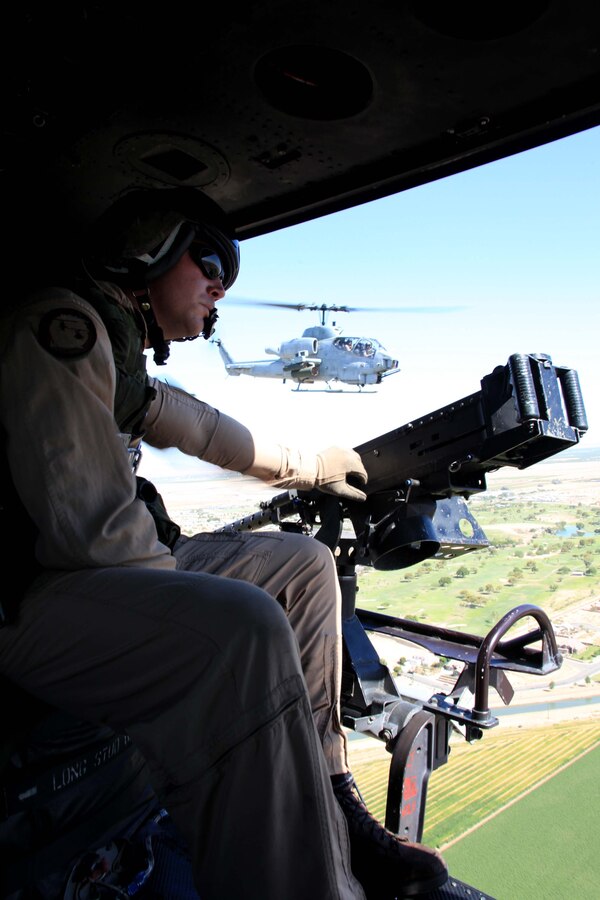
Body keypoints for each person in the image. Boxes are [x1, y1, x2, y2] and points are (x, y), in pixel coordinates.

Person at [0, 187, 448, 899]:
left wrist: (315, 466)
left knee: (304, 567)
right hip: (31, 597)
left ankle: (334, 800)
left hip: (110, 569)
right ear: (146, 249)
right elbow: (90, 534)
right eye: (208, 263)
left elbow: (205, 429)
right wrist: (193, 596)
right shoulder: (64, 328)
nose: (220, 287)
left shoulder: (120, 354)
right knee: (242, 625)